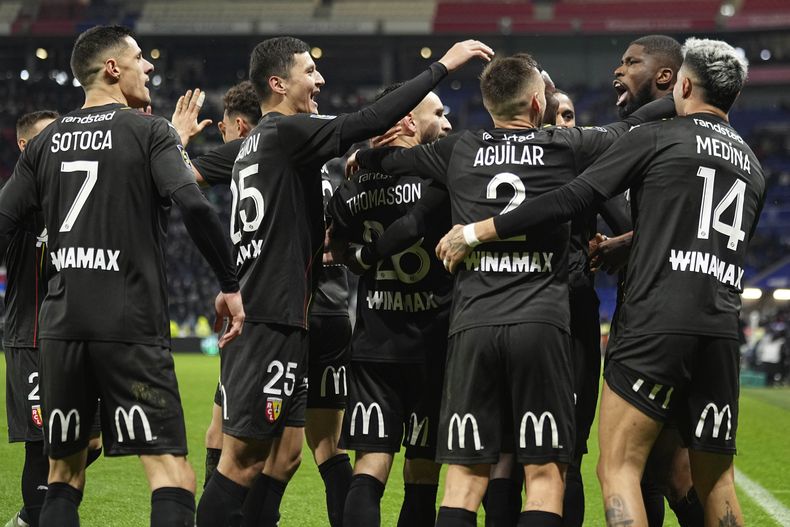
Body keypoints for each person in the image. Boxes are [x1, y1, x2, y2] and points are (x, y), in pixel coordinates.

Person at [437, 37, 763, 527]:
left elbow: (570, 198)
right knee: (713, 480)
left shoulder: (658, 138)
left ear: (683, 83)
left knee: (618, 469)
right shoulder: (753, 165)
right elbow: (694, 233)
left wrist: (480, 230)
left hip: (653, 321)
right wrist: (625, 244)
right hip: (719, 326)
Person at [350, 51, 675, 527]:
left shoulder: (458, 148)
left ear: (487, 104)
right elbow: (635, 125)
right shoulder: (566, 146)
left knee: (463, 480)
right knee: (544, 477)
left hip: (471, 327)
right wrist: (690, 91)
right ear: (539, 101)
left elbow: (398, 160)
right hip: (542, 327)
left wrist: (369, 155)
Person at [194, 36, 493, 527]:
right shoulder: (287, 133)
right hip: (273, 315)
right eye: (309, 72)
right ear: (278, 83)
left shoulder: (254, 146)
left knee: (284, 455)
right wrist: (445, 64)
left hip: (287, 314)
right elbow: (366, 121)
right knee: (242, 461)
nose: (320, 80)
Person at [0, 25, 244, 527]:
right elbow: (195, 208)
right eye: (140, 57)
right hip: (128, 324)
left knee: (63, 475)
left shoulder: (44, 144)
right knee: (173, 474)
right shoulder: (148, 129)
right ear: (113, 67)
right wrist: (230, 284)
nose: (149, 66)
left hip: (60, 328)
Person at [327, 84, 453, 527]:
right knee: (422, 472)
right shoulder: (441, 182)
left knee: (370, 464)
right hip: (433, 344)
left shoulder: (351, 186)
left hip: (374, 345)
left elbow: (334, 248)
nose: (448, 122)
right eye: (438, 113)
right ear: (407, 121)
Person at [3, 111, 58, 527]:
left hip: (70, 336)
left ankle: (32, 515)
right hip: (31, 336)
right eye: (46, 139)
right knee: (40, 446)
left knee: (89, 440)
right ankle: (33, 519)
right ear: (25, 147)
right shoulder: (18, 202)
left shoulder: (70, 194)